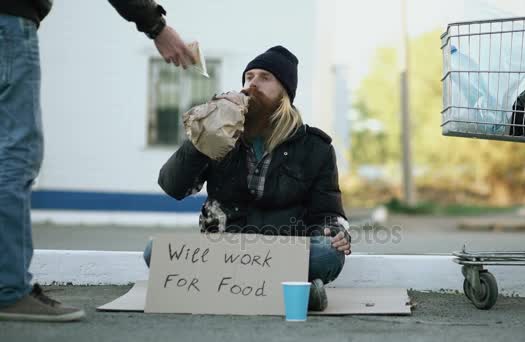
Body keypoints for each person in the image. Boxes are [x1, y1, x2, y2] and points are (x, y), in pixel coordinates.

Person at [0, 0, 196, 322]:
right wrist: (156, 26)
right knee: (15, 155)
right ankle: (8, 289)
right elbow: (174, 184)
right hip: (10, 18)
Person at [145, 46, 352, 312]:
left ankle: (223, 287)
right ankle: (290, 292)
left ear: (285, 93)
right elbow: (173, 186)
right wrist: (200, 137)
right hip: (223, 249)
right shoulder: (220, 132)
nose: (252, 85)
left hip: (281, 251)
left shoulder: (315, 147)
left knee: (327, 253)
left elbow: (328, 213)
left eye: (265, 78)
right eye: (248, 77)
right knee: (154, 251)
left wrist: (334, 233)